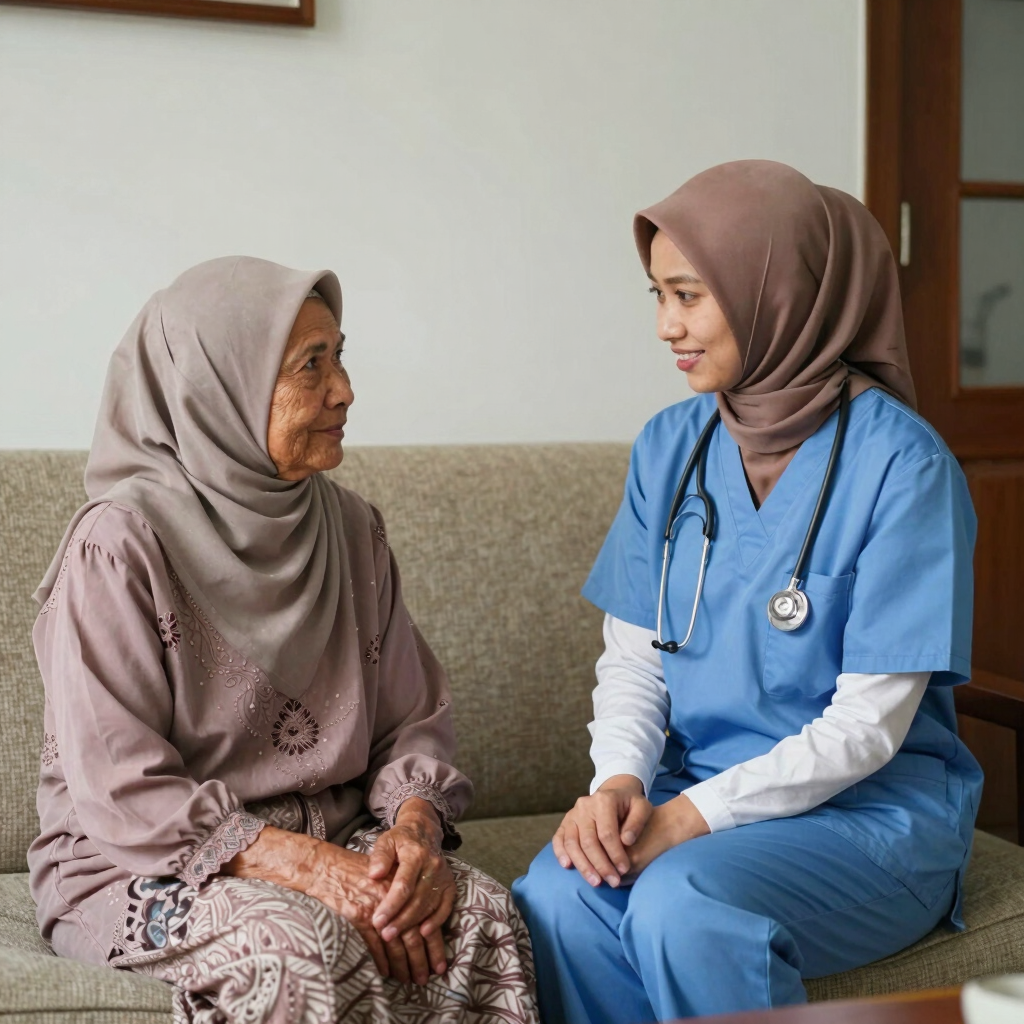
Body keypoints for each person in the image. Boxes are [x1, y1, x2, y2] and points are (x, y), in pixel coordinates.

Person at [512, 160, 982, 1022]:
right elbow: (635, 660)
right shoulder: (670, 447)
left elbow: (868, 730)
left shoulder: (904, 469)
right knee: (559, 895)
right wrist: (618, 780)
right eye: (655, 295)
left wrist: (689, 817)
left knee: (685, 907)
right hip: (693, 787)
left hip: (868, 818)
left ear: (777, 293)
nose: (665, 325)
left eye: (689, 295)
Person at [30, 257, 537, 1024]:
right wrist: (310, 868)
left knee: (478, 917)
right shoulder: (121, 544)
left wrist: (411, 833)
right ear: (220, 390)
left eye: (340, 354)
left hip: (334, 835)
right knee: (294, 944)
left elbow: (411, 719)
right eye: (311, 365)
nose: (344, 390)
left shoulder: (352, 529)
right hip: (141, 866)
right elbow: (120, 785)